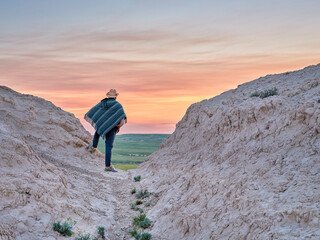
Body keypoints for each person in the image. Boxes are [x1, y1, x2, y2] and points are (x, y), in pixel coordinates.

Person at [84, 89, 127, 172]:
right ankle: (107, 167)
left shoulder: (103, 103)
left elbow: (94, 111)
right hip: (112, 128)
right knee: (109, 146)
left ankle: (93, 147)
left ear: (108, 96)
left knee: (98, 130)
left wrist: (100, 121)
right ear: (115, 97)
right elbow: (122, 116)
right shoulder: (117, 105)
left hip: (102, 125)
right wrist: (119, 125)